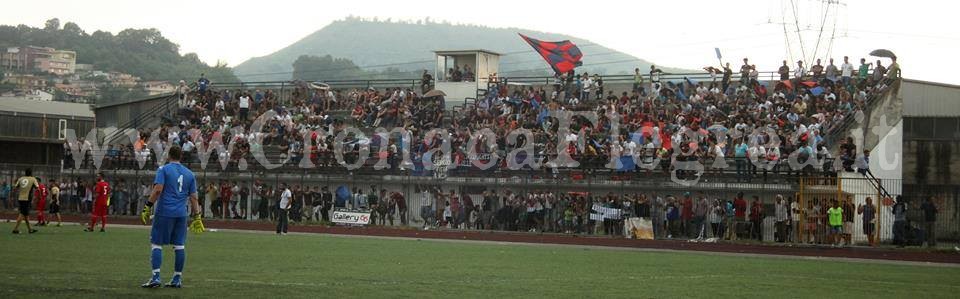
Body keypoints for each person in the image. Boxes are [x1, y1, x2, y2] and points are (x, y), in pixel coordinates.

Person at [141, 145, 200, 288]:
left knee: (157, 243)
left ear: (169, 156)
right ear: (181, 156)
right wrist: (197, 216)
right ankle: (177, 278)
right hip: (181, 214)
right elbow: (193, 197)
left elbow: (157, 190)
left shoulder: (163, 170)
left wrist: (147, 206)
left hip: (165, 212)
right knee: (179, 245)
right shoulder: (189, 174)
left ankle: (156, 277)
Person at [11, 168, 39, 234]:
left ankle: (30, 229)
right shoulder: (33, 179)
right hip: (27, 199)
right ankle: (15, 229)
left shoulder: (20, 179)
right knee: (22, 214)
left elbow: (15, 187)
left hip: (20, 198)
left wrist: (13, 195)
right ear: (31, 173)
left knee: (26, 215)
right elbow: (37, 188)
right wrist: (38, 197)